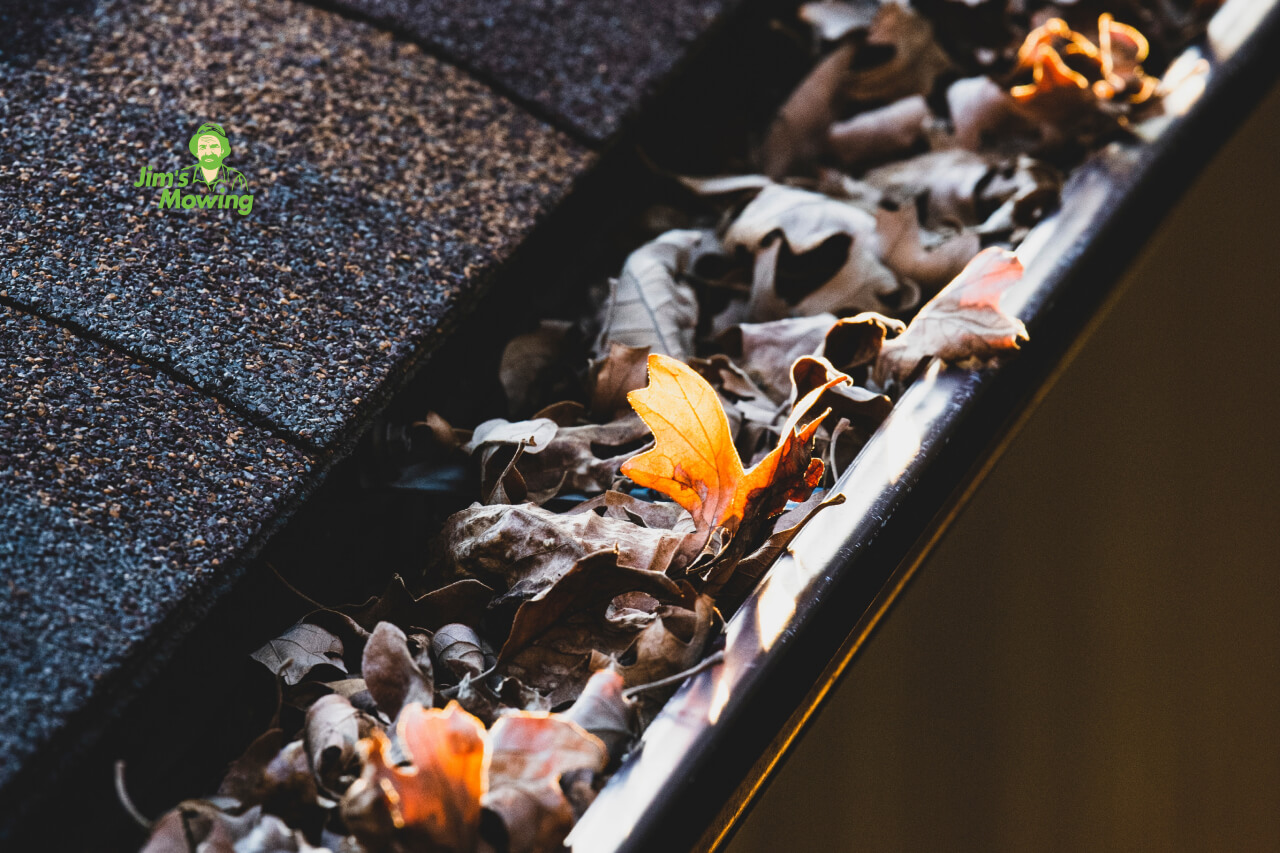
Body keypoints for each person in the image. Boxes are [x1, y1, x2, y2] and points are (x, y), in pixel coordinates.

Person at [179, 122, 250, 192]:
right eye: (203, 147)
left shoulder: (237, 177)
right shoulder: (184, 175)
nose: (208, 152)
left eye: (213, 147)